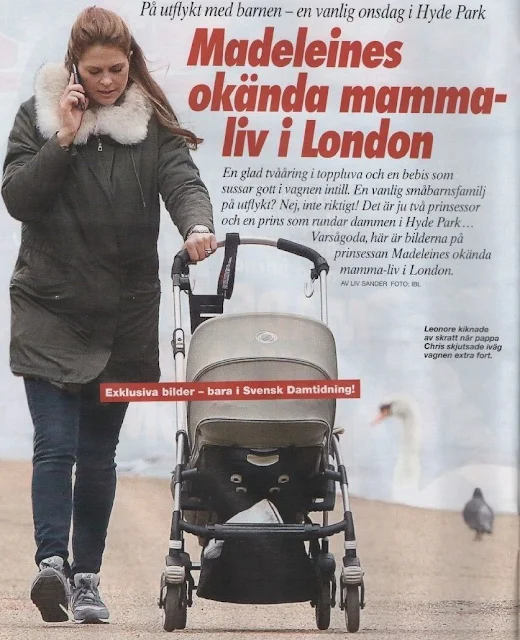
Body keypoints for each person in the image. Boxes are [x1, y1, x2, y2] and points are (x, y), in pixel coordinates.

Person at [1, 6, 216, 625]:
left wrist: (197, 226)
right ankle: (51, 567)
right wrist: (64, 138)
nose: (106, 82)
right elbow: (18, 197)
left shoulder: (149, 125)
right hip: (49, 308)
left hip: (122, 316)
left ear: (131, 64)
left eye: (117, 70)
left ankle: (87, 576)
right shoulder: (38, 118)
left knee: (98, 454)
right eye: (94, 71)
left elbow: (182, 180)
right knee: (55, 446)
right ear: (74, 69)